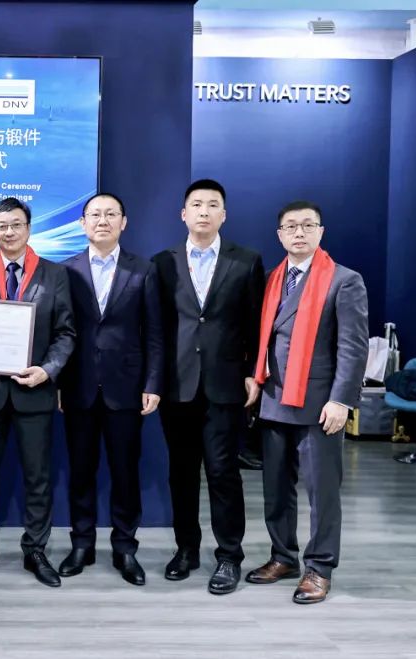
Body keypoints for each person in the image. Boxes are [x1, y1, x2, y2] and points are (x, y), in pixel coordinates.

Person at [246, 201, 368, 604]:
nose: (299, 232)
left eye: (307, 225)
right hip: (274, 399)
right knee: (276, 489)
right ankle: (283, 557)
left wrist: (341, 400)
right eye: (290, 227)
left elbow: (353, 348)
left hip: (319, 405)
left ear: (321, 231)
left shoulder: (344, 281)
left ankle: (320, 567)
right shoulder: (272, 279)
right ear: (279, 234)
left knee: (322, 492)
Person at [152, 179, 265, 595]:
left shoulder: (246, 261)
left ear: (224, 214)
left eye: (212, 204)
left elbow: (256, 324)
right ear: (183, 214)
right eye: (196, 204)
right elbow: (157, 329)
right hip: (177, 385)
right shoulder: (162, 263)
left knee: (222, 471)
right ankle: (186, 549)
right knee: (181, 473)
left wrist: (254, 372)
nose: (204, 211)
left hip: (225, 384)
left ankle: (229, 555)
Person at [0, 197, 75, 588]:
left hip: (34, 392)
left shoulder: (55, 274)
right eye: (1, 227)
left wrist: (48, 370)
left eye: (15, 224)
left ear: (28, 227)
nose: (9, 232)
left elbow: (66, 333)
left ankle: (36, 550)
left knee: (38, 478)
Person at [57, 193, 164, 586]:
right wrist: (58, 382)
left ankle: (125, 548)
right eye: (95, 214)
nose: (102, 221)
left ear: (124, 222)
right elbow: (60, 332)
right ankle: (81, 544)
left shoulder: (144, 269)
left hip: (127, 387)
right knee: (80, 472)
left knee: (125, 472)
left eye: (110, 214)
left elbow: (155, 333)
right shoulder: (65, 270)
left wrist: (152, 382)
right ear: (82, 223)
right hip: (78, 386)